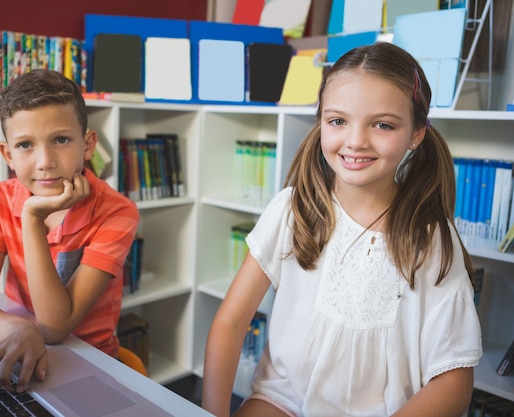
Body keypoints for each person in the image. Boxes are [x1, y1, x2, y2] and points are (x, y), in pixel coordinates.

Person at [202, 42, 482, 417]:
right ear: (321, 122)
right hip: (281, 402)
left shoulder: (431, 240)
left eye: (382, 124)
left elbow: (454, 383)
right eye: (338, 121)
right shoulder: (292, 209)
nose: (355, 141)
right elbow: (231, 322)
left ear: (416, 134)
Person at [0, 69, 139, 393]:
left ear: (88, 144)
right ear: (8, 155)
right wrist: (17, 329)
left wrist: (31, 219)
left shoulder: (116, 212)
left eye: (61, 139)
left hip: (89, 363)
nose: (45, 161)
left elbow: (54, 328)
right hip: (20, 346)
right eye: (26, 145)